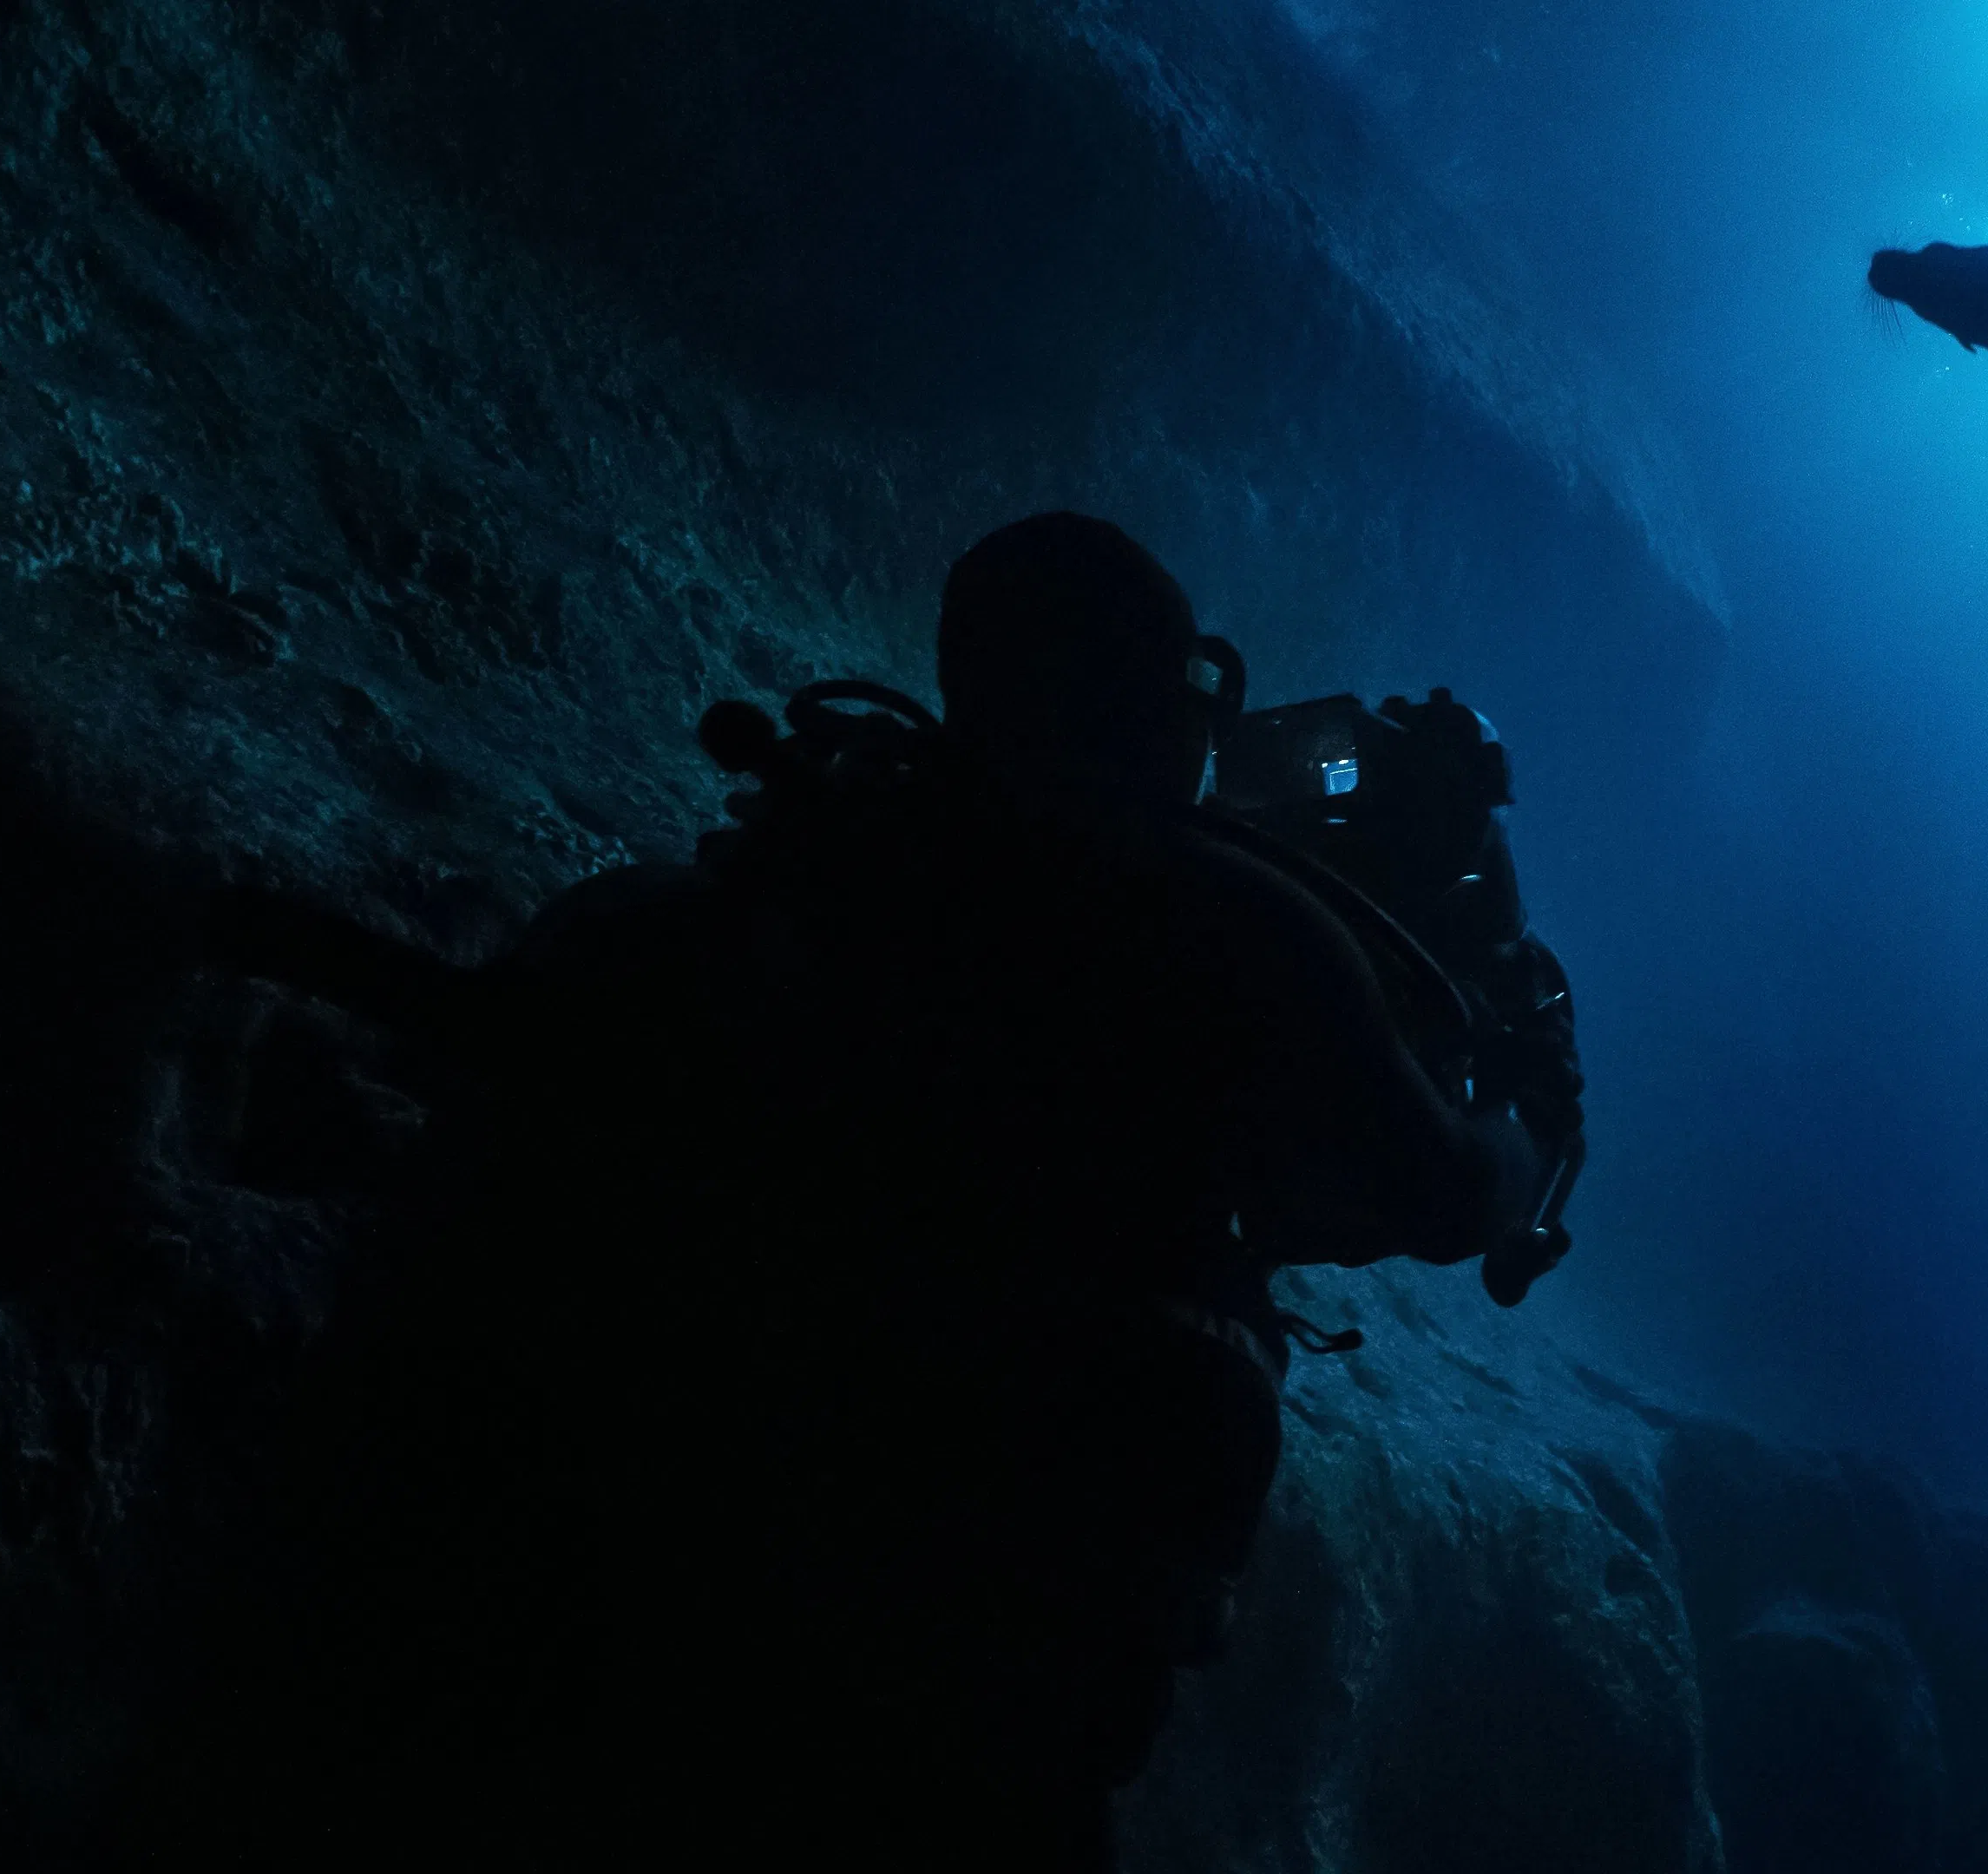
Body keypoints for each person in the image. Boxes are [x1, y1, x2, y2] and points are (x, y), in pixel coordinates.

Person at [171, 514, 1571, 1871]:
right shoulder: (1235, 924)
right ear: (1160, 705)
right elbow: (1447, 1194)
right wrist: (1516, 1089)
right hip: (970, 1670)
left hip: (652, 1570)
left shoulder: (814, 861)